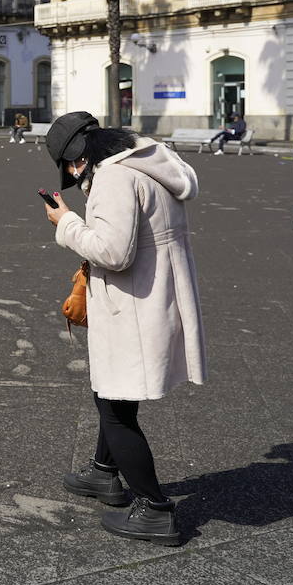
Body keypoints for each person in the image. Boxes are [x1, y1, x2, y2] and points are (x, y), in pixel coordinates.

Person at [43, 111, 205, 546]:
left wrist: (67, 223)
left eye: (72, 167)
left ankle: (154, 508)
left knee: (113, 406)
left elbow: (113, 253)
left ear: (77, 158)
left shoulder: (114, 178)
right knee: (114, 392)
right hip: (158, 297)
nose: (75, 174)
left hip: (133, 305)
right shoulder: (151, 162)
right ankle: (103, 473)